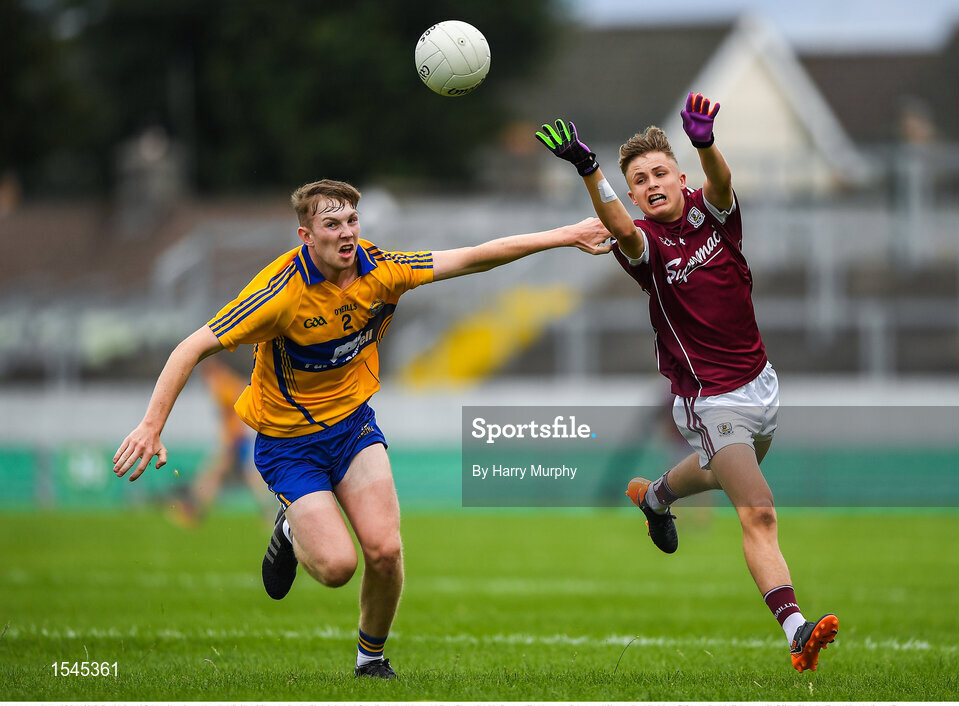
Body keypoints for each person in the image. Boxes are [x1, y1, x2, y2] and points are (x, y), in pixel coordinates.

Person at [113, 179, 611, 679]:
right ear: (306, 236)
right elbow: (191, 347)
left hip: (352, 428)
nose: (347, 232)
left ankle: (370, 661)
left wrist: (566, 234)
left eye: (352, 220)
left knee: (386, 550)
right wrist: (152, 425)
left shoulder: (383, 270)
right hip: (289, 447)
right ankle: (289, 527)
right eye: (332, 224)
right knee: (336, 568)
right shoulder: (280, 293)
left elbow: (475, 257)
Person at [536, 93, 838, 673]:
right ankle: (797, 630)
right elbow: (618, 225)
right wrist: (587, 166)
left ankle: (655, 496)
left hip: (760, 385)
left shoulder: (712, 208)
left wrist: (706, 144)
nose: (650, 184)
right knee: (759, 508)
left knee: (718, 469)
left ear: (679, 177)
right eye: (638, 180)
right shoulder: (643, 243)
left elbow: (722, 185)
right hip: (709, 398)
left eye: (658, 173)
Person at [167, 356, 273, 528]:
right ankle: (269, 515)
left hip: (234, 439)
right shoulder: (225, 381)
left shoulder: (221, 383)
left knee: (215, 475)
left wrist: (232, 436)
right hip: (236, 438)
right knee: (233, 477)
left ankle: (192, 512)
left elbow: (235, 405)